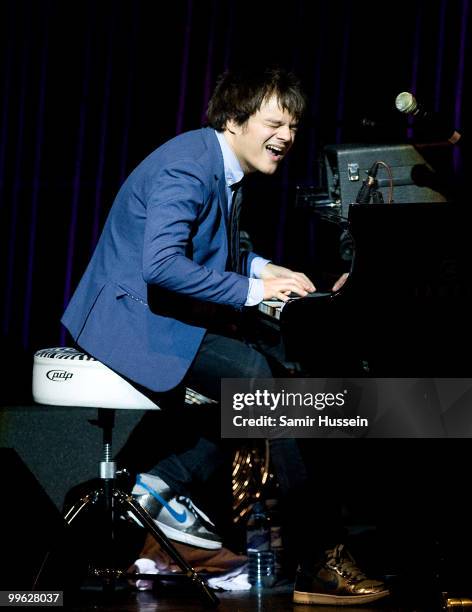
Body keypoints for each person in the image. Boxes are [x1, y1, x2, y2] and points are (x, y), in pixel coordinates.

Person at [61, 66, 388, 606]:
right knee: (260, 383)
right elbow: (162, 263)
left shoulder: (220, 164)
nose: (287, 136)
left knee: (279, 367)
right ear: (234, 120)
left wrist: (266, 271)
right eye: (275, 122)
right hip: (132, 319)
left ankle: (154, 488)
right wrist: (252, 292)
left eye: (294, 125)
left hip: (168, 314)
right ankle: (319, 557)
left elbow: (221, 247)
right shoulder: (188, 168)